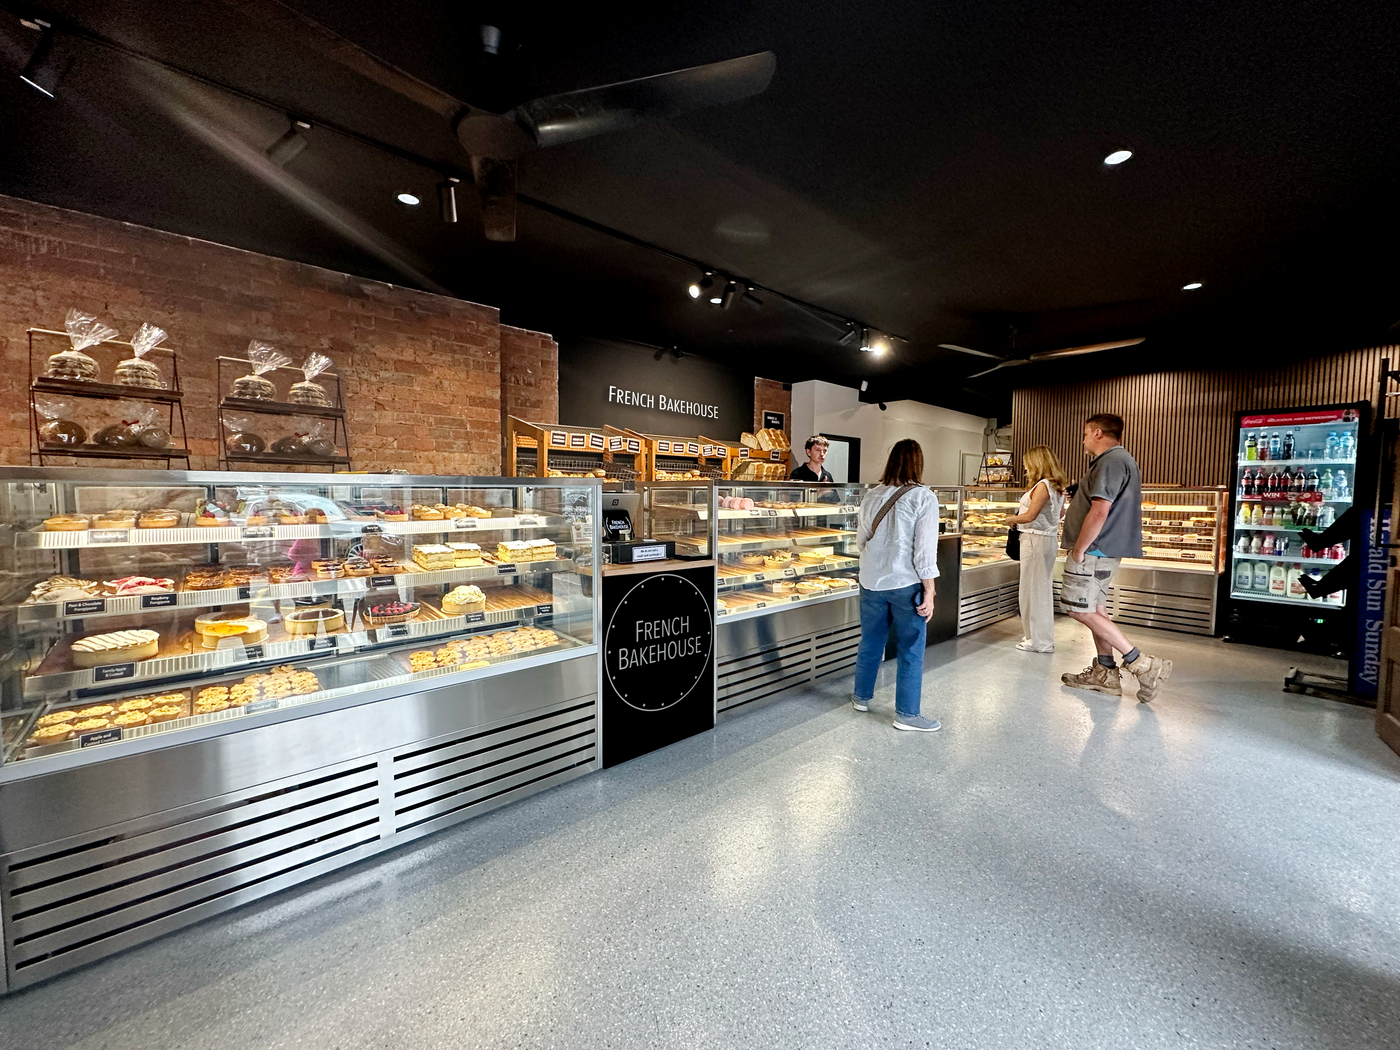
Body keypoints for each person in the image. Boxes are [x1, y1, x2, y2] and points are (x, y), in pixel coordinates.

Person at [1060, 413, 1173, 702]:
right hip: (1103, 550)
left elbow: (1100, 510)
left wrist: (1080, 548)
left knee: (1078, 608)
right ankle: (1105, 672)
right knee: (1096, 610)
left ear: (1097, 433)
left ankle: (1142, 664)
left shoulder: (1111, 461)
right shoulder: (1117, 461)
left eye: (1085, 433)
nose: (1083, 439)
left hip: (1094, 550)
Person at [851, 439, 942, 731]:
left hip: (871, 581)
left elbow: (860, 540)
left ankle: (861, 697)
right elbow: (924, 551)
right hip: (906, 583)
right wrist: (930, 590)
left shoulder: (871, 495)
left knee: (870, 641)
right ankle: (907, 714)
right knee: (910, 649)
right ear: (918, 462)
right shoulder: (923, 497)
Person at [1005, 445, 1067, 653]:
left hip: (1034, 540)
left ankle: (1039, 641)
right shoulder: (1056, 487)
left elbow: (1030, 516)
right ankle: (1038, 638)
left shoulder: (1042, 486)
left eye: (1026, 463)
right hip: (1046, 540)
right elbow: (1059, 515)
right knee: (1039, 589)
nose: (1024, 467)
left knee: (1032, 591)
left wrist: (1011, 519)